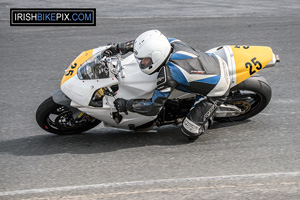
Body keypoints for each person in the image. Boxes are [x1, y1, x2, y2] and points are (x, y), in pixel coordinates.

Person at [106, 30, 231, 140]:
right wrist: (118, 48)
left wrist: (126, 105)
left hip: (217, 89)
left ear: (156, 56)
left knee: (190, 131)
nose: (142, 62)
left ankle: (209, 115)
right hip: (214, 61)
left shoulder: (169, 75)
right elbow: (145, 44)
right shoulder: (170, 43)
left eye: (145, 60)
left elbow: (152, 107)